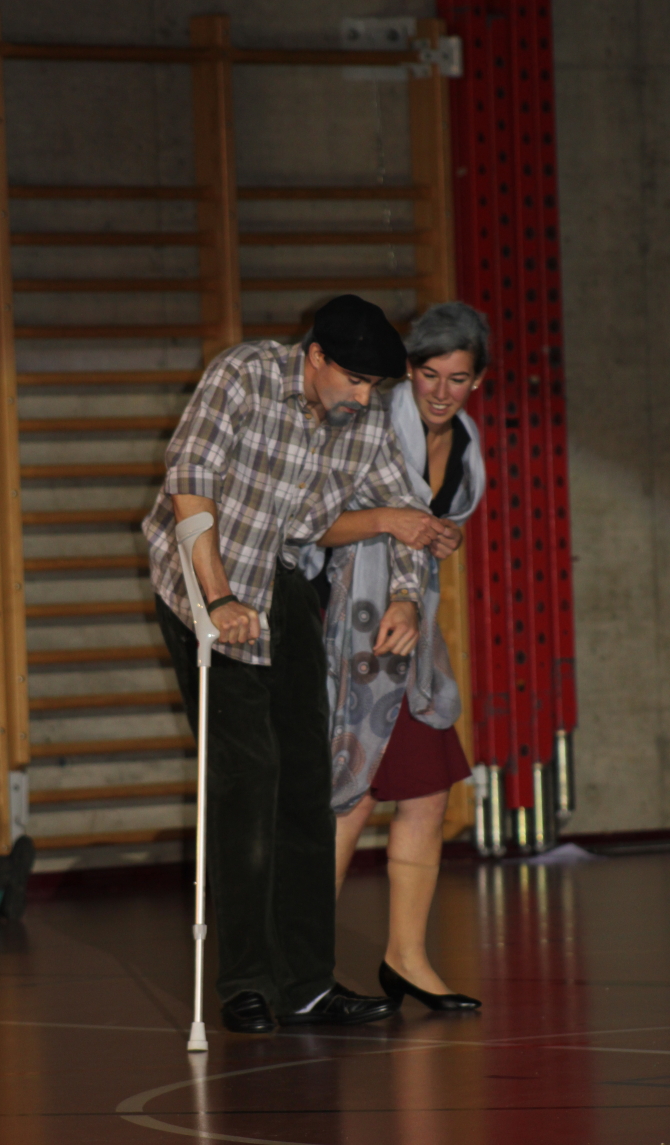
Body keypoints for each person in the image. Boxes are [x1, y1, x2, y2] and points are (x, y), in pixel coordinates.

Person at [143, 294, 450, 1034]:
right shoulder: (243, 376)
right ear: (316, 357)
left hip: (277, 579)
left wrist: (406, 598)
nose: (364, 398)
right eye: (354, 381)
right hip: (203, 579)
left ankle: (307, 984)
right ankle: (247, 981)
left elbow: (403, 509)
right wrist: (218, 601)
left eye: (374, 386)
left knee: (309, 781)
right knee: (249, 777)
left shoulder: (362, 416)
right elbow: (190, 487)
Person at [313, 302, 488, 1012]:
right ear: (407, 371)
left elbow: (428, 530)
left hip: (408, 628)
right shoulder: (368, 422)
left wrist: (438, 539)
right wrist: (394, 523)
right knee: (349, 796)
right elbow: (311, 524)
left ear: (477, 381)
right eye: (428, 374)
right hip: (344, 622)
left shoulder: (465, 442)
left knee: (426, 791)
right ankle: (306, 966)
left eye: (458, 378)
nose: (442, 392)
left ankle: (406, 957)